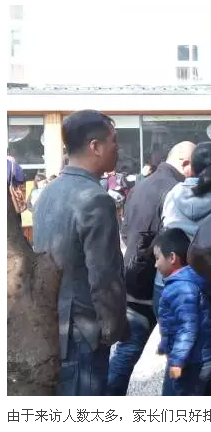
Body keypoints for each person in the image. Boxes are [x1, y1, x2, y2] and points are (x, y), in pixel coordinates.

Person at [33, 109, 128, 396]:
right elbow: (104, 276)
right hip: (83, 331)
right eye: (114, 141)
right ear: (95, 146)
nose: (118, 148)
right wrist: (111, 330)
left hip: (52, 323)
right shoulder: (95, 199)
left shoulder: (49, 192)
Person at [106, 140, 195, 396]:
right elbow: (175, 242)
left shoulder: (141, 185)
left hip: (133, 276)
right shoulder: (175, 190)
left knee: (127, 352)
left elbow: (125, 231)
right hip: (155, 281)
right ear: (185, 163)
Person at [161, 141, 211, 396]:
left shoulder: (173, 194)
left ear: (191, 166)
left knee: (179, 353)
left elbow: (165, 234)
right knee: (209, 353)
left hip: (178, 285)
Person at [154, 228, 211, 396]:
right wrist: (165, 344)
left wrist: (176, 362)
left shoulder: (182, 288)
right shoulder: (183, 283)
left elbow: (187, 329)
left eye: (157, 258)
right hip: (194, 359)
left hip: (193, 363)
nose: (155, 264)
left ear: (172, 258)